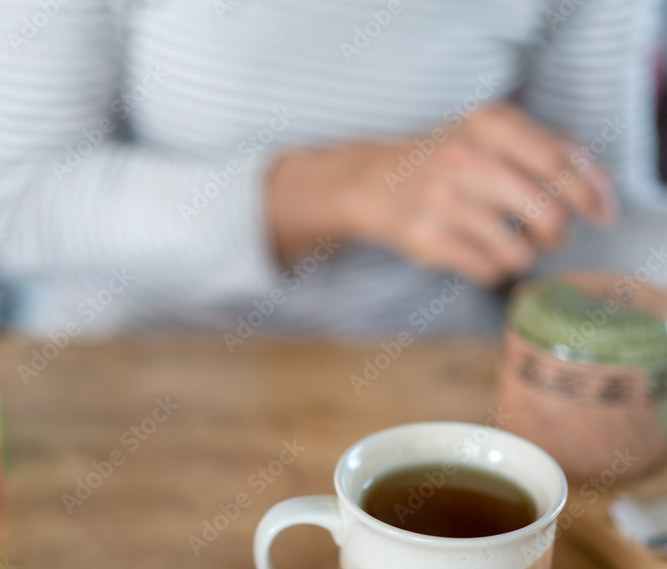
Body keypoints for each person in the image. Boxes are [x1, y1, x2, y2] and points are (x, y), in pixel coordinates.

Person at [0, 0, 665, 340]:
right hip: (116, 379)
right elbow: (19, 200)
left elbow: (593, 226)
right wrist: (354, 189)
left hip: (427, 387)